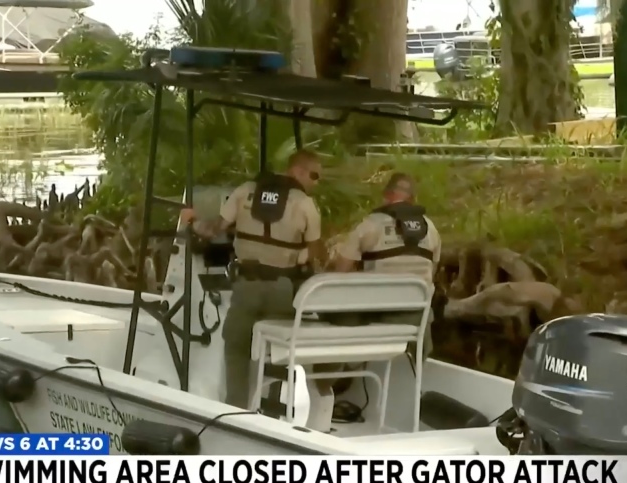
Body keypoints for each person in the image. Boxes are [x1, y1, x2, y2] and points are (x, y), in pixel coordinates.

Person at [180, 149, 327, 413]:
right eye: (314, 176)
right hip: (283, 288)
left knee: (237, 345)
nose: (316, 183)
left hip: (246, 286)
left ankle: (236, 410)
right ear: (298, 171)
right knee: (276, 350)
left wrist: (192, 221)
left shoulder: (245, 190)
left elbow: (214, 229)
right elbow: (316, 252)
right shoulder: (304, 204)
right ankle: (271, 410)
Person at [330, 172, 441, 359]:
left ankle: (342, 371)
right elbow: (433, 271)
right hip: (416, 320)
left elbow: (339, 272)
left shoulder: (370, 225)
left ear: (387, 195)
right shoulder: (431, 229)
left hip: (376, 317)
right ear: (412, 199)